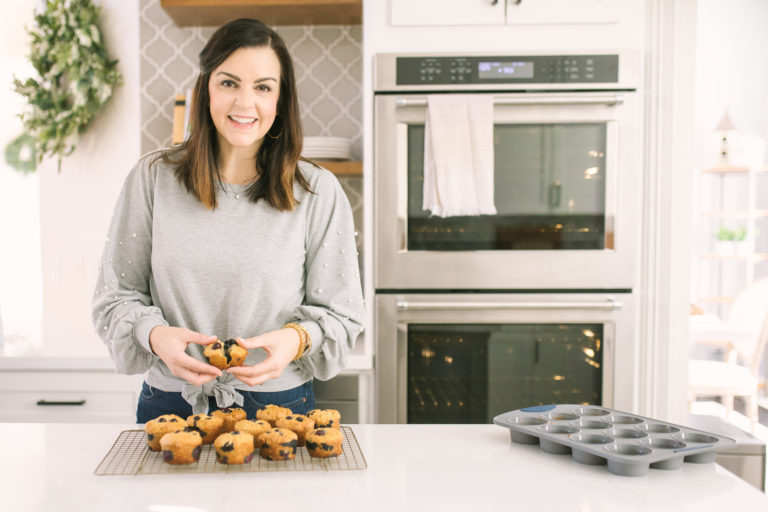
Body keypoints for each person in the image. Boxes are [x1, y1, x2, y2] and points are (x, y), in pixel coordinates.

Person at [92, 18, 364, 423]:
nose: (244, 103)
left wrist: (297, 338)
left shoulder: (317, 191)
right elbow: (115, 297)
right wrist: (156, 335)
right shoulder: (152, 178)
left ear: (280, 100)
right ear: (205, 91)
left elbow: (342, 315)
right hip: (169, 407)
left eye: (263, 87)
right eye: (229, 83)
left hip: (280, 409)